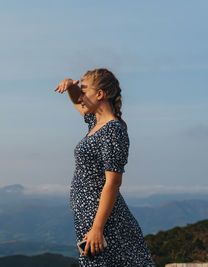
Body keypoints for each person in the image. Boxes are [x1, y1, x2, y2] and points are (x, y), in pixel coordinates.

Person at [54, 68, 155, 266]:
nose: (81, 97)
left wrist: (97, 227)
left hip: (103, 220)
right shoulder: (96, 123)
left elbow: (113, 183)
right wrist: (71, 86)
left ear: (99, 94)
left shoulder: (112, 131)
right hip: (89, 216)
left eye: (85, 91)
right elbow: (80, 104)